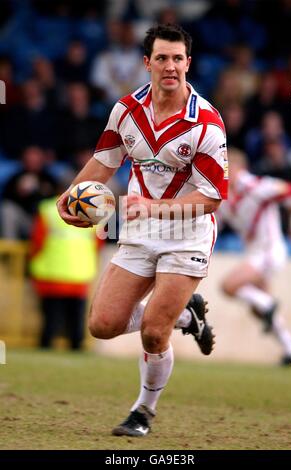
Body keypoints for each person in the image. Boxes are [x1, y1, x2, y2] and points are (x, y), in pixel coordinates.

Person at [57, 24, 228, 436]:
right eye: (162, 58)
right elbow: (104, 161)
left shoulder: (206, 123)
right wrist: (72, 197)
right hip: (140, 231)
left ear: (188, 62)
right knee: (102, 324)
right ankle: (187, 319)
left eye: (178, 58)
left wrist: (153, 206)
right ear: (147, 62)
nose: (171, 66)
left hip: (186, 233)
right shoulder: (126, 111)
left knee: (154, 331)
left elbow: (211, 198)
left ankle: (142, 412)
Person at [217, 148, 291, 365]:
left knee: (228, 286)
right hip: (255, 254)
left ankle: (268, 304)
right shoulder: (223, 194)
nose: (224, 170)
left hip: (270, 252)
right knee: (257, 309)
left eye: (228, 166)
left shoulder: (255, 186)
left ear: (240, 168)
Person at [29, 187, 102, 350]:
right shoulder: (94, 210)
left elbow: (37, 240)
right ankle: (76, 346)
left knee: (51, 318)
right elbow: (98, 243)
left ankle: (46, 345)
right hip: (79, 274)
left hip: (52, 273)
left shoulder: (47, 209)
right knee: (76, 319)